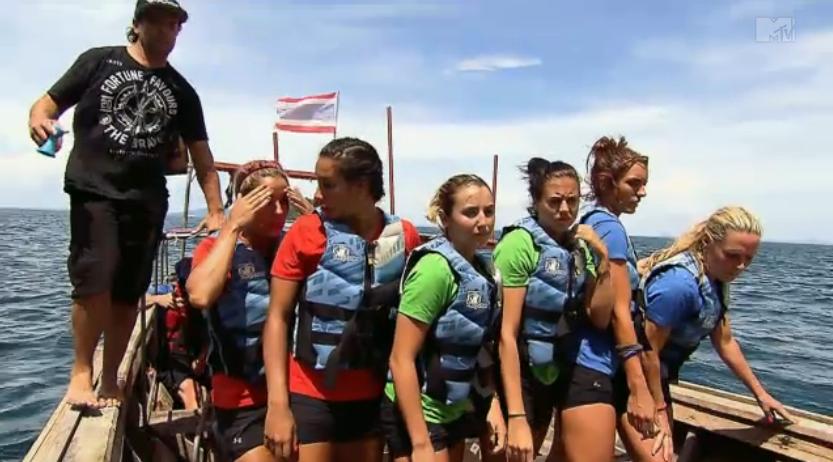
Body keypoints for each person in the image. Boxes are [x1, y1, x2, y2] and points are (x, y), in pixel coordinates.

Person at [27, 0, 225, 408]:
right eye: (160, 22)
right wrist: (39, 120)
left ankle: (111, 377)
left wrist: (216, 210)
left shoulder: (182, 92)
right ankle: (81, 372)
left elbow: (203, 160)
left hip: (146, 199)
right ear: (138, 24)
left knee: (127, 292)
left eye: (175, 24)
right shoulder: (98, 61)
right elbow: (45, 104)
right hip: (94, 189)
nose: (169, 30)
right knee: (94, 279)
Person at [262, 138, 422, 462]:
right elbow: (277, 317)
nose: (317, 195)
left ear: (361, 185)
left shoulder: (404, 236)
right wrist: (277, 405)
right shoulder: (306, 233)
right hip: (311, 392)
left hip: (372, 395)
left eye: (328, 185)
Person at [634, 206, 794, 457]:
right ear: (708, 242)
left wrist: (761, 395)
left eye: (749, 259)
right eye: (732, 255)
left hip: (654, 376)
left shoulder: (715, 280)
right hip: (626, 374)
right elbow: (647, 351)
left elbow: (725, 342)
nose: (740, 266)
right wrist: (659, 409)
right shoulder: (679, 285)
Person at [186, 161, 312, 462]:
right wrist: (232, 225)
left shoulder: (294, 246)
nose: (280, 212)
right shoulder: (217, 250)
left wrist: (314, 223)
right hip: (242, 397)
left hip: (299, 391)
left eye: (285, 202)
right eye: (268, 202)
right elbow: (200, 294)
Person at [495, 159, 614, 462]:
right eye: (555, 201)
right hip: (519, 368)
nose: (565, 209)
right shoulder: (520, 244)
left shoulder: (579, 248)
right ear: (536, 202)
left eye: (572, 201)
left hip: (555, 365)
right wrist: (516, 415)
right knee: (515, 451)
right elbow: (506, 333)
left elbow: (600, 318)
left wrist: (603, 260)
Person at [382, 174, 501, 462]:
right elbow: (400, 358)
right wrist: (420, 442)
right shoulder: (434, 270)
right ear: (446, 219)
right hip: (419, 410)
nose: (483, 221)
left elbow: (481, 349)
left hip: (454, 408)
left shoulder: (484, 271)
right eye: (470, 212)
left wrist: (493, 404)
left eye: (489, 211)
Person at [568, 136, 661, 460]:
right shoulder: (610, 229)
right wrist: (639, 388)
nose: (642, 192)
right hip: (595, 364)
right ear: (608, 183)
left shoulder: (593, 220)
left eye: (644, 184)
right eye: (634, 183)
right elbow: (620, 312)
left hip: (587, 360)